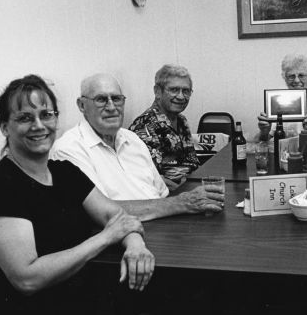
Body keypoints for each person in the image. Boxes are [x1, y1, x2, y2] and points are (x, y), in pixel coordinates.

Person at [0, 75, 184, 315]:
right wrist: (104, 239)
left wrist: (135, 245)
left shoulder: (64, 173)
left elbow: (116, 216)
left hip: (67, 309)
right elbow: (27, 278)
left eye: (46, 115)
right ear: (4, 126)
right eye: (25, 117)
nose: (39, 125)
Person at [52, 73, 223, 220]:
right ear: (82, 105)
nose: (111, 107)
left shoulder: (132, 139)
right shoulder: (68, 149)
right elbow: (101, 212)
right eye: (101, 99)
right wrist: (182, 203)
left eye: (117, 99)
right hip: (124, 241)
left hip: (164, 223)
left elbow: (161, 193)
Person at [129, 65, 200, 190]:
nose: (181, 96)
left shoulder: (181, 120)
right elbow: (152, 181)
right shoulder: (145, 125)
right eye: (174, 90)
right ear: (157, 91)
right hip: (169, 197)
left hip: (191, 187)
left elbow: (192, 163)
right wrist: (188, 190)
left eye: (186, 91)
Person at [257, 53, 307, 139]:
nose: (296, 80)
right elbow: (265, 141)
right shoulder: (277, 104)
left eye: (301, 75)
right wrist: (264, 131)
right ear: (285, 78)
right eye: (291, 76)